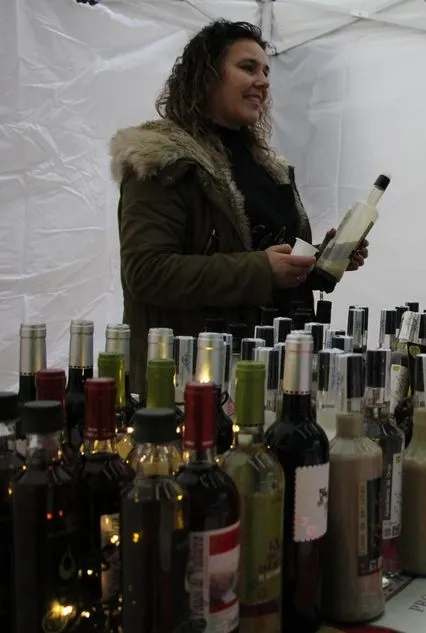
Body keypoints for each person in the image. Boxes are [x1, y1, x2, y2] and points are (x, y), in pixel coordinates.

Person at [109, 20, 369, 393]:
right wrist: (262, 269)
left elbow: (262, 255)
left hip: (278, 367)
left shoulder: (268, 167)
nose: (263, 82)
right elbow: (147, 272)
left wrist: (320, 260)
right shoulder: (161, 161)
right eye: (248, 68)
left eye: (266, 72)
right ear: (206, 75)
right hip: (197, 379)